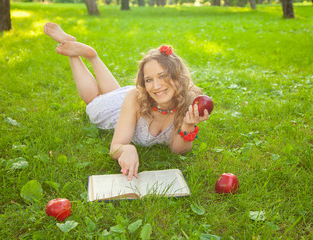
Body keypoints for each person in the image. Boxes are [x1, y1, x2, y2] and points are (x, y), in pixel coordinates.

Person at [43, 22, 210, 181]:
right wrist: (126, 148)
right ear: (143, 83)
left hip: (125, 98)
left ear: (177, 76)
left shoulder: (188, 103)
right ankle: (72, 50)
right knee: (93, 102)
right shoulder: (137, 96)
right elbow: (116, 146)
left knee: (114, 93)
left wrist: (188, 126)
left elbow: (177, 150)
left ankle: (93, 57)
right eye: (149, 79)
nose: (157, 86)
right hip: (117, 109)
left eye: (162, 76)